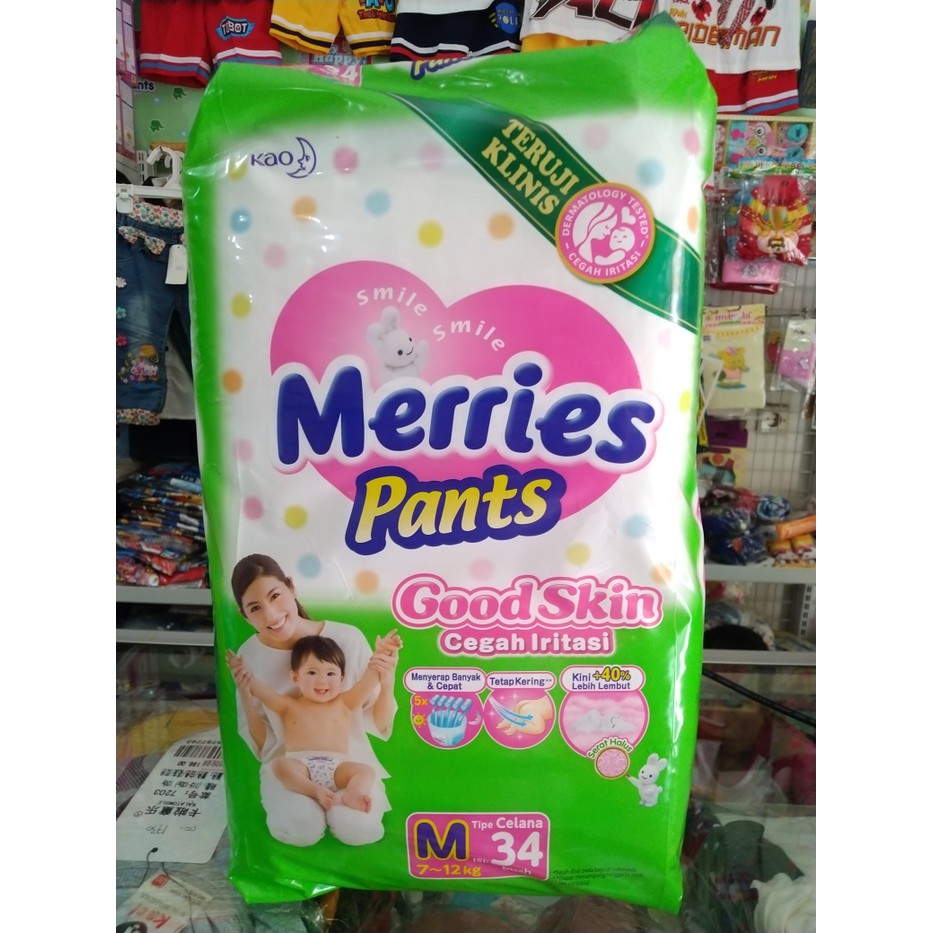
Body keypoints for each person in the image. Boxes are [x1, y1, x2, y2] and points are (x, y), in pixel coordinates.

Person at [228, 553, 401, 846]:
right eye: (255, 608)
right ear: (244, 614)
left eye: (275, 596)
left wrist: (386, 678)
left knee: (358, 830)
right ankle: (305, 804)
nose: (271, 615)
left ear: (291, 587)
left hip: (347, 764)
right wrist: (245, 693)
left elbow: (378, 722)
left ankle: (347, 800)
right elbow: (264, 745)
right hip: (292, 767)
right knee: (300, 829)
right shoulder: (249, 657)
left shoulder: (347, 639)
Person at [228, 632, 401, 815]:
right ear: (295, 678)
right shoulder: (288, 705)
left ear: (341, 679)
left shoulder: (345, 702)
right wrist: (240, 671)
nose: (322, 681)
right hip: (301, 766)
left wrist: (382, 653)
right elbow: (258, 689)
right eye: (312, 672)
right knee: (279, 765)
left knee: (366, 771)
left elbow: (370, 678)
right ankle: (314, 791)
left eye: (330, 673)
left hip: (338, 767)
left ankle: (354, 792)